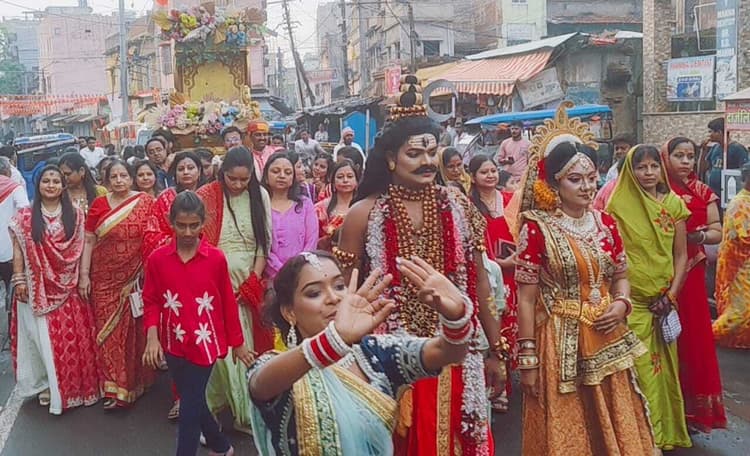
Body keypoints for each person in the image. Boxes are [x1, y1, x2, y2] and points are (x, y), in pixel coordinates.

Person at [336, 75, 500, 455]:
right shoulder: (364, 214)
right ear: (391, 159)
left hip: (459, 347)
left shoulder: (459, 206)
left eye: (432, 152)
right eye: (415, 153)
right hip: (391, 353)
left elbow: (480, 283)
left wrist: (495, 349)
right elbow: (345, 292)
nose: (427, 162)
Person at [248, 251, 473, 455]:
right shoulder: (276, 368)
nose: (333, 298)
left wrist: (456, 318)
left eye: (339, 286)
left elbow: (447, 352)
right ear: (289, 313)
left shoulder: (374, 353)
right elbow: (260, 385)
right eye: (314, 293)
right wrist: (333, 341)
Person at [515, 129, 655, 455]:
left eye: (591, 178)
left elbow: (621, 276)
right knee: (568, 422)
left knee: (616, 415)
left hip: (607, 335)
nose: (587, 187)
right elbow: (526, 298)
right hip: (558, 341)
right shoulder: (536, 228)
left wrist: (621, 304)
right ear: (554, 184)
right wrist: (528, 359)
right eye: (575, 179)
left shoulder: (606, 223)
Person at [142, 191, 254, 456]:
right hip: (173, 342)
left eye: (194, 225)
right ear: (170, 221)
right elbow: (151, 300)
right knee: (192, 397)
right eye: (181, 225)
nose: (188, 232)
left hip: (205, 343)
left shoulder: (215, 259)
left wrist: (237, 343)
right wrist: (152, 337)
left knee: (188, 408)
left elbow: (227, 302)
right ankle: (221, 445)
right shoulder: (157, 259)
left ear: (204, 222)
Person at [607, 144, 692, 450]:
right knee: (639, 374)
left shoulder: (673, 204)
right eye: (641, 167)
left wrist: (671, 295)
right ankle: (640, 441)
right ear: (630, 171)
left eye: (654, 166)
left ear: (661, 169)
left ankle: (663, 437)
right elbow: (615, 260)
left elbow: (681, 256)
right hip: (633, 307)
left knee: (664, 374)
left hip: (664, 305)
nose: (648, 173)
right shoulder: (617, 206)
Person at [9, 165, 100, 415]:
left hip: (70, 288)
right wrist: (19, 279)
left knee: (73, 341)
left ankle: (75, 387)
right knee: (42, 340)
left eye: (56, 181)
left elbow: (81, 249)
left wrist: (82, 278)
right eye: (46, 181)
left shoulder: (76, 215)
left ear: (63, 186)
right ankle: (49, 384)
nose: (51, 185)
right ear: (38, 185)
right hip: (37, 288)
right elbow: (19, 249)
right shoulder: (25, 216)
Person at [196, 146, 272, 433]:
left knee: (246, 347)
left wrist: (254, 278)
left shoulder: (260, 195)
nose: (238, 185)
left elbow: (264, 244)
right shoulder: (206, 196)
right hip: (212, 283)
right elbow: (197, 241)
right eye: (232, 179)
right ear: (221, 173)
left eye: (244, 179)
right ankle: (215, 410)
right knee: (218, 354)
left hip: (246, 283)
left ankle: (246, 413)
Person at [79, 158, 156, 410]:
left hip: (135, 277)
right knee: (107, 332)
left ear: (131, 178)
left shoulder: (145, 202)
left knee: (134, 331)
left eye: (124, 175)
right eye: (114, 177)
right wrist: (84, 275)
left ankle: (135, 383)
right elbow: (89, 241)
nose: (119, 180)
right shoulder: (99, 204)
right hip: (103, 278)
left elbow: (154, 238)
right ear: (107, 180)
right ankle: (113, 387)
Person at [662, 137, 727, 432]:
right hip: (660, 272)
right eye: (679, 155)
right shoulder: (654, 189)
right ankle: (664, 410)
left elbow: (716, 231)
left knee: (693, 338)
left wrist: (697, 237)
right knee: (665, 339)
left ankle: (692, 411)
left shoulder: (703, 191)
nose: (686, 162)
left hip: (692, 272)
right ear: (666, 157)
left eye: (690, 156)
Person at [468, 155, 517, 413]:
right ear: (473, 177)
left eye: (493, 171)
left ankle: (507, 380)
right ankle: (498, 389)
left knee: (512, 325)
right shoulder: (470, 205)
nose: (490, 175)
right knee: (495, 322)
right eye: (484, 172)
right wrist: (501, 262)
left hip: (514, 270)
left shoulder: (509, 200)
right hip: (489, 271)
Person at [262, 152, 319, 280]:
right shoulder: (260, 205)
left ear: (293, 178)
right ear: (266, 176)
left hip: (301, 274)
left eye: (287, 172)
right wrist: (282, 272)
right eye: (276, 171)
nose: (282, 176)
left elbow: (312, 240)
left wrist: (299, 269)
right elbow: (262, 247)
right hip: (269, 278)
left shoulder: (305, 204)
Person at [142, 151, 205, 260]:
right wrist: (178, 242)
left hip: (205, 255)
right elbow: (151, 234)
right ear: (175, 174)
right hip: (170, 257)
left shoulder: (209, 195)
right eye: (180, 169)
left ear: (199, 171)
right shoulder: (165, 198)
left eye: (190, 168)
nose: (186, 172)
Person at [713, 162, 750, 348]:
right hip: (739, 267)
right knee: (739, 311)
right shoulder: (740, 203)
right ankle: (704, 337)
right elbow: (744, 237)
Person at [0, 156, 29, 300]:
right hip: (10, 249)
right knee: (11, 287)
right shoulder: (15, 188)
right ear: (7, 171)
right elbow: (25, 213)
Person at [315, 159, 359, 251]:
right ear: (333, 183)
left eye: (350, 176)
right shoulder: (319, 209)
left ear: (356, 182)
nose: (345, 180)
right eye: (340, 177)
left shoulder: (363, 208)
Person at [700, 117, 749, 197]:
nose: (709, 135)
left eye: (711, 131)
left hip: (729, 195)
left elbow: (745, 172)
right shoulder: (715, 148)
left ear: (719, 132)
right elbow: (705, 168)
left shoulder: (737, 149)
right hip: (714, 194)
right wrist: (703, 151)